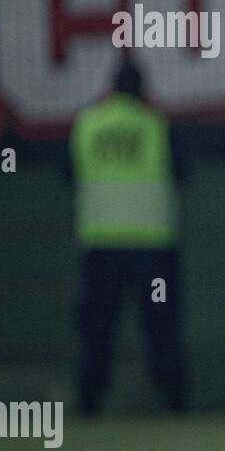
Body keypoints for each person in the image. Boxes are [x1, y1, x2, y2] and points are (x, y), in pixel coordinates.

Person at [69, 58, 187, 414]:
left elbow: (68, 175)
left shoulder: (87, 124)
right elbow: (182, 177)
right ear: (144, 92)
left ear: (110, 89)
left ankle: (89, 400)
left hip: (101, 244)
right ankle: (174, 400)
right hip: (153, 245)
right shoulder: (158, 126)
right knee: (162, 326)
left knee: (97, 326)